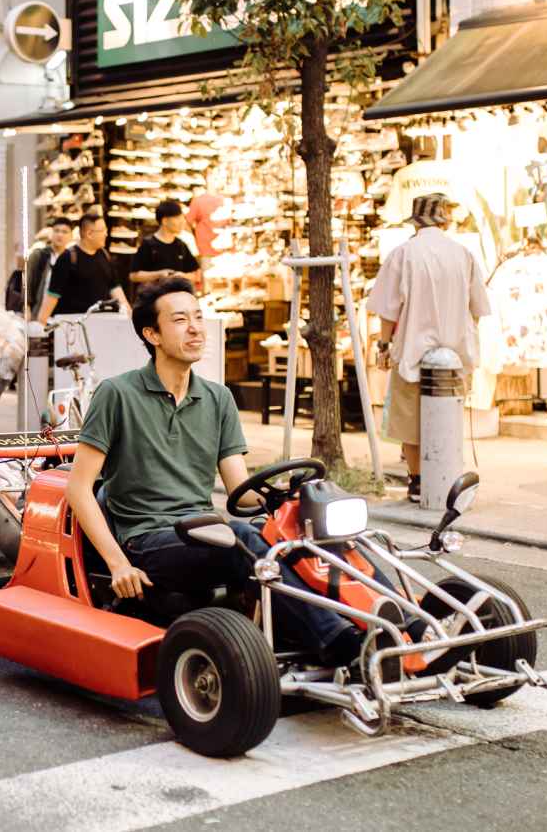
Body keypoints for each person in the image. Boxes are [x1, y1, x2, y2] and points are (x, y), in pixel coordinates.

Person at [66, 277, 390, 669]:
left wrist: (292, 496)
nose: (196, 328)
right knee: (240, 539)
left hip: (201, 532)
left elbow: (241, 492)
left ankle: (404, 627)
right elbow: (79, 489)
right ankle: (339, 642)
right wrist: (119, 564)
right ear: (152, 334)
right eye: (180, 320)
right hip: (147, 539)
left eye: (199, 317)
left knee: (312, 536)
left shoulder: (218, 398)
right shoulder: (117, 394)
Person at [367, 193, 492, 502]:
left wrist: (383, 347)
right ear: (444, 220)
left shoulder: (403, 254)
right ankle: (446, 473)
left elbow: (387, 310)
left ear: (416, 222)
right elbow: (477, 308)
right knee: (447, 415)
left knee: (410, 420)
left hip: (412, 349)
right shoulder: (463, 254)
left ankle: (418, 480)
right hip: (455, 353)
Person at [36, 214, 129, 327]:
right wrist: (40, 325)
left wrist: (129, 315)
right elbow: (52, 296)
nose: (106, 234)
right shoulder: (67, 258)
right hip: (73, 327)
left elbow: (115, 287)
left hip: (101, 324)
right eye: (102, 230)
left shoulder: (104, 255)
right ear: (89, 233)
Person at [128, 200, 200, 300]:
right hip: (153, 301)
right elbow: (134, 276)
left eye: (182, 218)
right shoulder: (148, 244)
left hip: (177, 300)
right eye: (178, 218)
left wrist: (182, 276)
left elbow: (196, 275)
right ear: (165, 221)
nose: (182, 222)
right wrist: (160, 274)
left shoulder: (181, 245)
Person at [25, 222, 73, 318]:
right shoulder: (38, 255)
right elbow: (27, 283)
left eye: (64, 232)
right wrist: (27, 308)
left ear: (70, 236)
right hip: (38, 311)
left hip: (62, 315)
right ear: (51, 234)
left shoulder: (71, 258)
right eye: (56, 231)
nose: (60, 235)